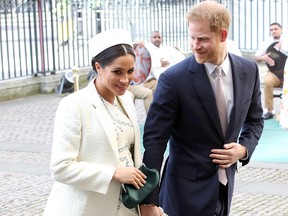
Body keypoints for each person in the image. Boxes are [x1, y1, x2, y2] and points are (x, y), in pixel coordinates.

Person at [140, 1, 264, 216]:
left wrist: (243, 149)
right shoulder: (173, 79)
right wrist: (149, 201)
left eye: (203, 39)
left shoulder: (249, 70)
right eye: (192, 37)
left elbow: (255, 120)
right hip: (183, 192)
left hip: (225, 187)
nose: (194, 45)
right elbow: (154, 141)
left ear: (223, 35)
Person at [43, 29, 150, 216]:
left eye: (130, 71)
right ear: (98, 67)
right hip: (87, 208)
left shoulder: (127, 99)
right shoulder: (73, 105)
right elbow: (61, 167)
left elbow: (132, 154)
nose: (125, 80)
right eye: (117, 72)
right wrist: (113, 174)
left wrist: (146, 203)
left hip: (127, 206)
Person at [255, 22, 284, 120]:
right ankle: (269, 110)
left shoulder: (286, 40)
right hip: (274, 73)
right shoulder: (266, 42)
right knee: (267, 82)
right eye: (271, 30)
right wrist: (265, 58)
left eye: (275, 29)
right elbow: (257, 57)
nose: (273, 31)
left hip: (286, 73)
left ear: (281, 30)